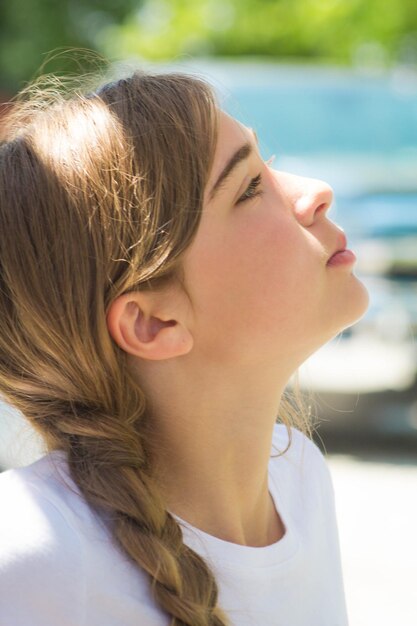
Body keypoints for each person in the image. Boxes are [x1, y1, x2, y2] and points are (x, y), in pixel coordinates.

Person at [0, 68, 368, 626]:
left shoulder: (299, 479)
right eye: (248, 187)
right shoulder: (30, 548)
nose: (315, 192)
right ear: (152, 322)